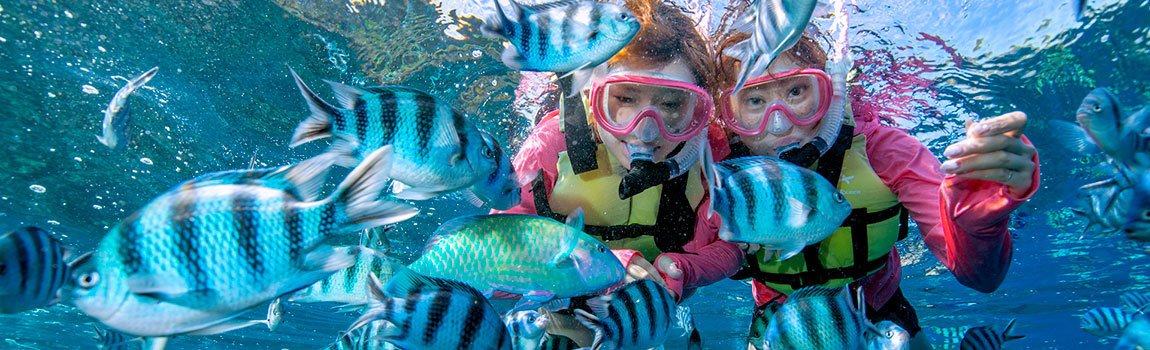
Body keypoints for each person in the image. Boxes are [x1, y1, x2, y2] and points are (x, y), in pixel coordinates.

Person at [714, 31, 1040, 349]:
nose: (779, 124)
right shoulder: (717, 171)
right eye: (755, 100)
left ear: (829, 91)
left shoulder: (885, 153)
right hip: (781, 324)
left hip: (881, 312)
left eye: (797, 92)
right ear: (729, 113)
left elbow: (981, 279)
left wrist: (978, 216)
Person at [495, 0, 743, 303]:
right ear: (591, 94)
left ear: (697, 110)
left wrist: (684, 269)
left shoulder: (707, 150)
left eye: (671, 104)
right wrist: (607, 268)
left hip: (649, 313)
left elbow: (729, 245)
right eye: (625, 99)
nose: (646, 131)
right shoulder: (554, 142)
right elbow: (498, 251)